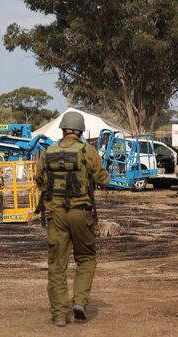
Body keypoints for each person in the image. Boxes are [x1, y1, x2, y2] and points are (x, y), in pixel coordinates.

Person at [35, 111, 111, 327]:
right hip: (81, 214)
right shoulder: (88, 151)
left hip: (55, 216)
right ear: (80, 131)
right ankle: (79, 302)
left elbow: (39, 179)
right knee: (86, 258)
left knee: (57, 265)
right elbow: (103, 178)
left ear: (63, 130)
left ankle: (59, 315)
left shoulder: (47, 152)